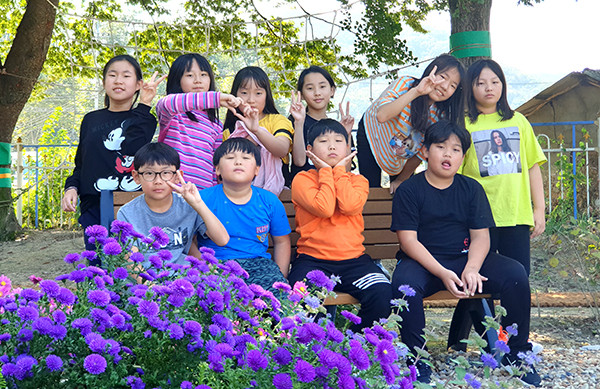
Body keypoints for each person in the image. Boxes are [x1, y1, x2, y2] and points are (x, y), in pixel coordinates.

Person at [391, 121, 541, 386]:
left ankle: (516, 355)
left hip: (464, 259)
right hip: (423, 262)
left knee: (515, 273)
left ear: (463, 156)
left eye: (456, 149)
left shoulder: (471, 189)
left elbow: (481, 236)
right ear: (425, 152)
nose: (448, 154)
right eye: (440, 147)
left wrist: (471, 268)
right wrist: (441, 271)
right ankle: (417, 360)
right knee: (405, 286)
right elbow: (408, 241)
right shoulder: (410, 190)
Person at [288, 119, 392, 331]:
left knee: (382, 292)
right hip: (313, 261)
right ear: (310, 150)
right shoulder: (302, 179)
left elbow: (349, 205)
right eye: (324, 141)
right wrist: (326, 171)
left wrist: (338, 172)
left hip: (354, 262)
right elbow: (324, 207)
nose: (332, 146)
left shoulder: (358, 181)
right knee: (300, 299)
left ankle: (354, 343)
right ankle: (314, 348)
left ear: (348, 148)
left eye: (338, 141)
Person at [61, 54, 163, 265]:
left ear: (138, 85)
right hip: (94, 205)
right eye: (112, 75)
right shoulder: (91, 119)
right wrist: (71, 187)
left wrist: (144, 104)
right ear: (104, 82)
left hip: (131, 204)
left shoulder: (145, 118)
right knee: (98, 264)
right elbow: (81, 163)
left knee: (132, 267)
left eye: (126, 76)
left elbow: (132, 147)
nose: (118, 80)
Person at [461, 59, 546, 275]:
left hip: (515, 214)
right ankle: (483, 312)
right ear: (470, 88)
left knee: (518, 278)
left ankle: (516, 312)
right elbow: (456, 175)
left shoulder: (518, 121)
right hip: (478, 218)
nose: (489, 88)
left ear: (503, 85)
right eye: (480, 83)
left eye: (494, 81)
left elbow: (532, 166)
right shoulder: (464, 124)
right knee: (480, 281)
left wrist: (539, 209)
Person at [356, 54, 465, 193]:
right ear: (432, 71)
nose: (444, 86)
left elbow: (421, 153)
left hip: (401, 153)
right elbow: (382, 115)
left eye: (453, 86)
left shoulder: (440, 117)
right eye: (443, 77)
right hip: (373, 134)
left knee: (402, 191)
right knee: (369, 188)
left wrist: (401, 179)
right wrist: (417, 92)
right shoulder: (405, 84)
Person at [197, 138, 291, 293]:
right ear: (217, 169)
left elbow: (282, 242)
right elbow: (190, 241)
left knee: (281, 302)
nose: (238, 162)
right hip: (217, 264)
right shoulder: (202, 199)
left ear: (257, 170)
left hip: (259, 265)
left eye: (246, 158)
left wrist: (280, 275)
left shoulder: (269, 201)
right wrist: (204, 265)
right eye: (230, 158)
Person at [117, 143, 229, 269]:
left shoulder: (188, 206)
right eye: (149, 173)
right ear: (136, 177)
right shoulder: (127, 213)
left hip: (182, 278)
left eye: (166, 173)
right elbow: (130, 261)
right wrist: (150, 286)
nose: (158, 181)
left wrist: (198, 204)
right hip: (145, 280)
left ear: (177, 176)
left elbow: (222, 239)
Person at [156, 53, 242, 190]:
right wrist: (218, 98)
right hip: (172, 191)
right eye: (189, 75)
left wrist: (214, 192)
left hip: (203, 195)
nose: (198, 80)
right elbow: (167, 103)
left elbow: (216, 165)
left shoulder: (216, 125)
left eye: (203, 74)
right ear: (177, 80)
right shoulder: (172, 113)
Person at [223, 66, 294, 194]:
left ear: (267, 95)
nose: (251, 99)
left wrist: (257, 131)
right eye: (244, 93)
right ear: (235, 95)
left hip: (276, 194)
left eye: (258, 93)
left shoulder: (277, 120)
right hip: (237, 194)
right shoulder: (229, 130)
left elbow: (282, 150)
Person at [288, 65, 354, 184]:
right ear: (301, 94)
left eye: (322, 86)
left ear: (332, 90)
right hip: (306, 188)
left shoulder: (338, 127)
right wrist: (298, 123)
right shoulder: (295, 121)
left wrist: (346, 133)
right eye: (310, 88)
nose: (317, 93)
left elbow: (346, 170)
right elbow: (299, 162)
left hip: (335, 187)